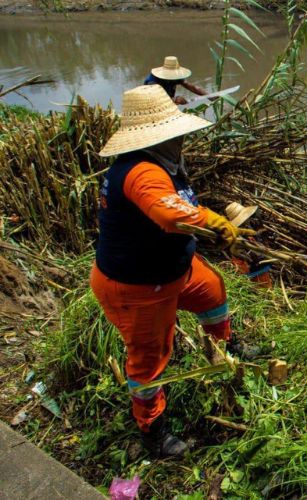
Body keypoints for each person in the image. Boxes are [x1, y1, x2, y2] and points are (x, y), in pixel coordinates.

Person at [91, 85, 255, 457]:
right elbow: (169, 213)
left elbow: (173, 207)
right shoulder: (141, 172)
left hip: (174, 269)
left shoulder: (162, 164)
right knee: (149, 360)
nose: (182, 138)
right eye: (176, 132)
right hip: (139, 285)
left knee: (213, 292)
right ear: (158, 137)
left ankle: (226, 349)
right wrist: (211, 221)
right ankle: (153, 433)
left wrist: (207, 231)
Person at [225, 201, 273, 289]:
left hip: (259, 269)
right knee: (265, 292)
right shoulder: (239, 239)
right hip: (256, 272)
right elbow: (242, 261)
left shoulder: (246, 232)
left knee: (266, 291)